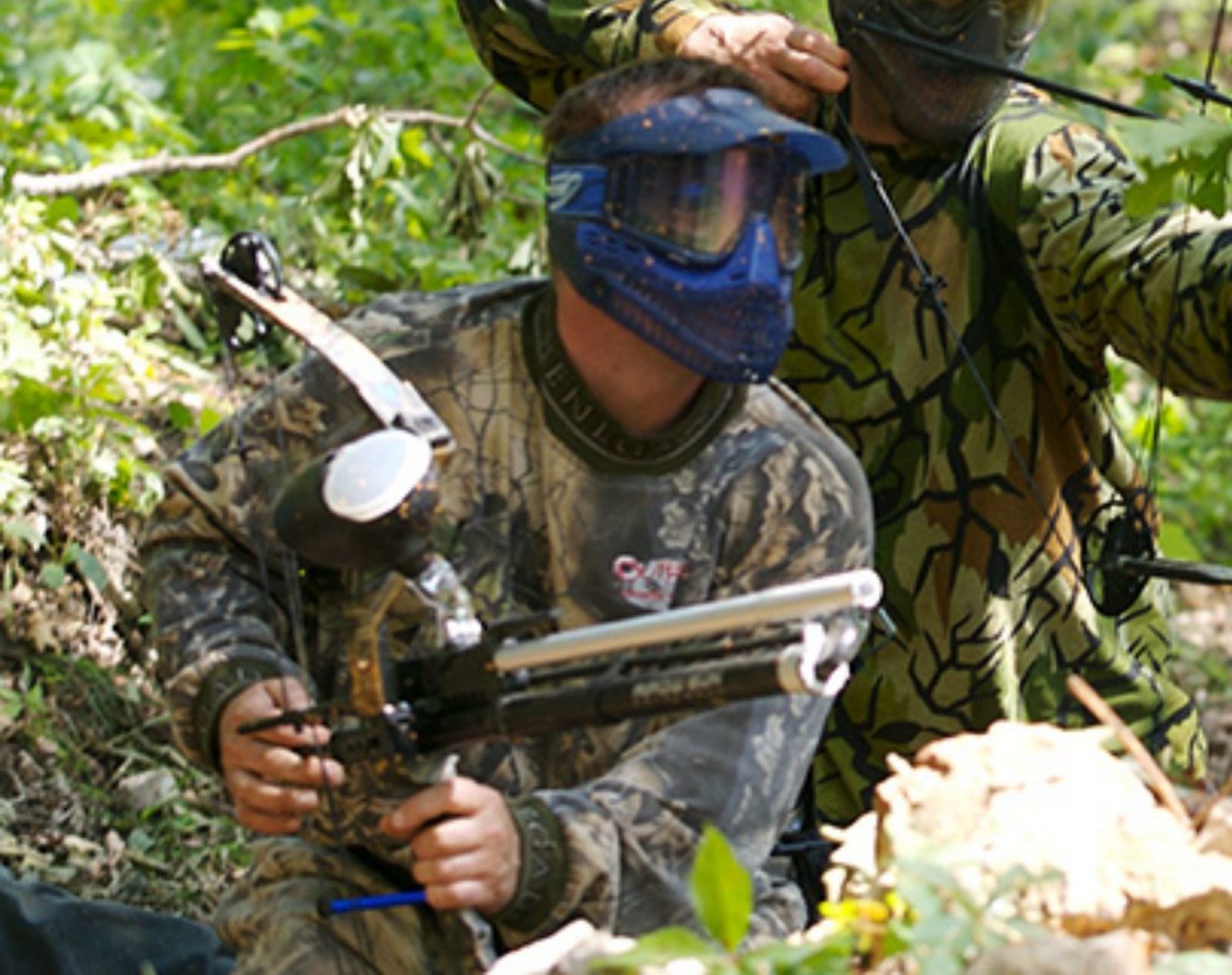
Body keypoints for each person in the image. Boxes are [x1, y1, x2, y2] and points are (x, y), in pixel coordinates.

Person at [444, 0, 1232, 824]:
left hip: (1040, 752)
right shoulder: (748, 125)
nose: (980, 25)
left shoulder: (1032, 157)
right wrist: (693, 31)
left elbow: (1156, 268)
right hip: (780, 743)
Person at [142, 61, 874, 972]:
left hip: (662, 925)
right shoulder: (404, 377)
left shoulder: (799, 487)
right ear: (589, 213)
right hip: (375, 888)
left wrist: (533, 853)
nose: (754, 253)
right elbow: (203, 531)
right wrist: (235, 687)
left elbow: (724, 799)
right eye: (703, 211)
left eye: (775, 212)